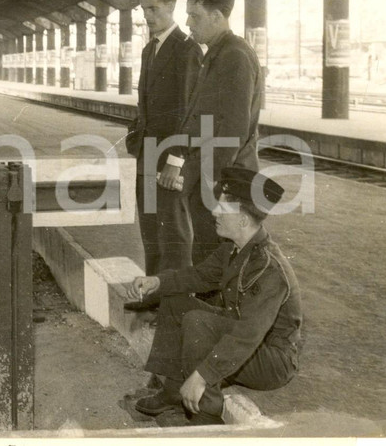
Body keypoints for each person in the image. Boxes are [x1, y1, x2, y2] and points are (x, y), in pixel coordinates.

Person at [125, 167, 302, 426]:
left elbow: (246, 336)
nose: (214, 212)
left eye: (222, 208)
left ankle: (206, 415)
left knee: (199, 321)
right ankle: (174, 391)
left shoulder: (268, 269)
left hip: (272, 360)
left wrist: (201, 376)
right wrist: (157, 281)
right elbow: (196, 276)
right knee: (176, 302)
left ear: (242, 220)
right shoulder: (233, 249)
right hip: (246, 340)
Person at [125, 0, 203, 311]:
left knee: (173, 229)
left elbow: (189, 109)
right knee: (150, 226)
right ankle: (155, 292)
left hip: (169, 155)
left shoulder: (187, 50)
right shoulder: (149, 49)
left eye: (154, 8)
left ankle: (177, 302)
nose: (147, 15)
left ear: (172, 6)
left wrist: (176, 158)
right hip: (148, 153)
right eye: (144, 9)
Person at [178, 0, 263, 266]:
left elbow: (234, 128)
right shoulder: (217, 53)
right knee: (208, 253)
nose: (188, 23)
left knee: (216, 258)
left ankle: (212, 311)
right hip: (211, 176)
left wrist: (213, 182)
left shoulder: (234, 56)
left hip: (221, 180)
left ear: (216, 16)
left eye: (194, 15)